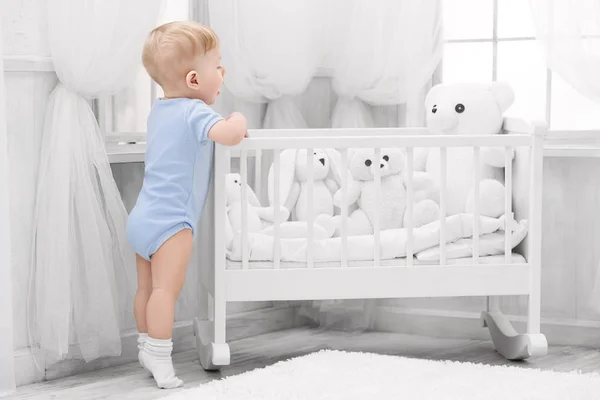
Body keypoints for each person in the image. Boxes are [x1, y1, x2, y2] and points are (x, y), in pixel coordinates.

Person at [126, 20, 247, 389]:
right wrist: (237, 118)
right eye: (218, 66)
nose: (223, 73)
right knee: (166, 291)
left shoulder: (161, 110)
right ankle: (160, 357)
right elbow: (229, 136)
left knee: (145, 289)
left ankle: (146, 344)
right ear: (195, 80)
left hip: (142, 216)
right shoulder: (196, 113)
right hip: (173, 223)